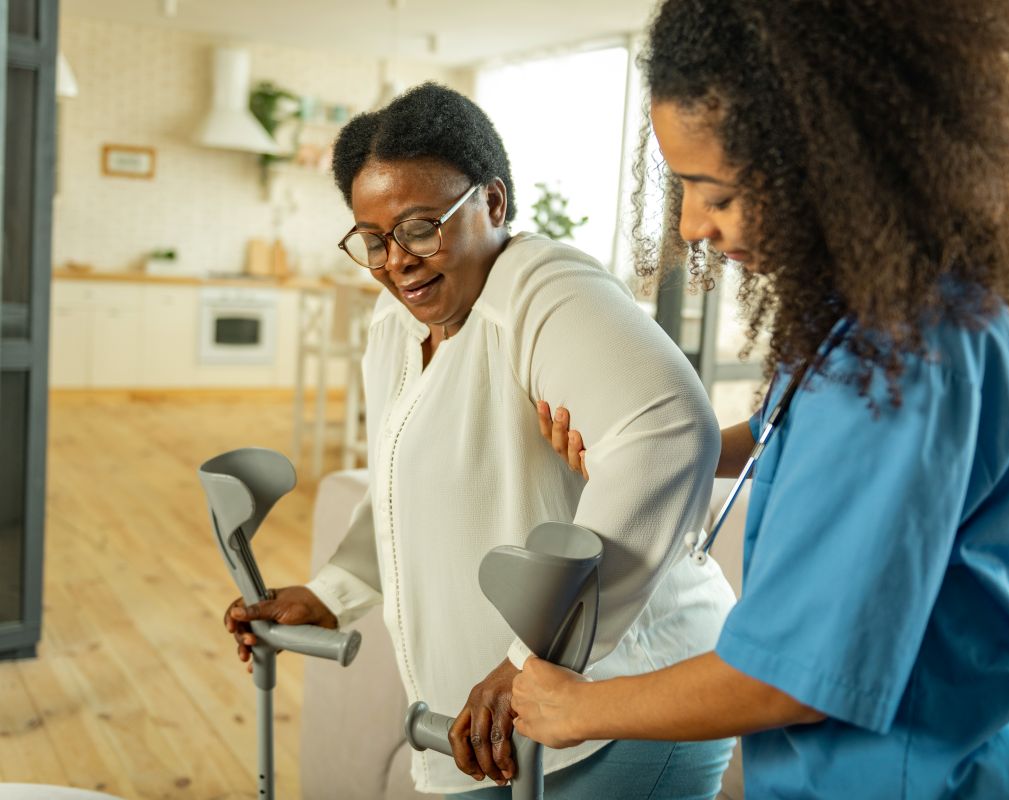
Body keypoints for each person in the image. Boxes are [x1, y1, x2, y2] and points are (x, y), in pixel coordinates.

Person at [511, 1, 1009, 797]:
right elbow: (785, 431)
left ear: (828, 161)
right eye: (683, 189)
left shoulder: (901, 359)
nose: (691, 226)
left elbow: (791, 678)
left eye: (716, 194)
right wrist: (657, 448)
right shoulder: (859, 314)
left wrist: (578, 708)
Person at [222, 83, 736, 799]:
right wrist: (331, 593)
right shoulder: (395, 327)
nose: (397, 260)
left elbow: (671, 432)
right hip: (497, 726)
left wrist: (533, 659)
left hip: (619, 707)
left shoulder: (544, 288)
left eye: (420, 227)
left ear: (492, 203)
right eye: (373, 239)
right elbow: (403, 490)